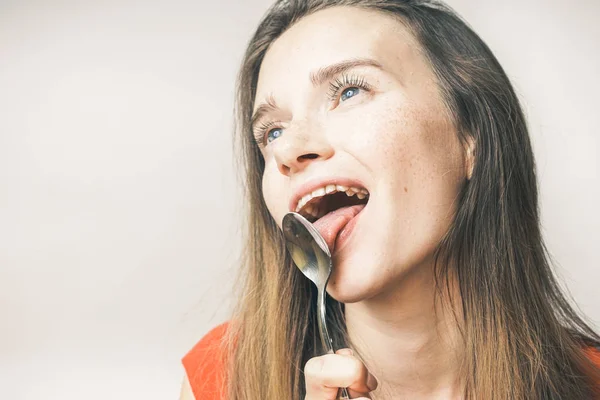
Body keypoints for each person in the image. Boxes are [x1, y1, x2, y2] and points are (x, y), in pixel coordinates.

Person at [180, 0, 600, 399]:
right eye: (272, 133)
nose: (289, 150)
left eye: (349, 92)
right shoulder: (222, 378)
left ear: (468, 136)